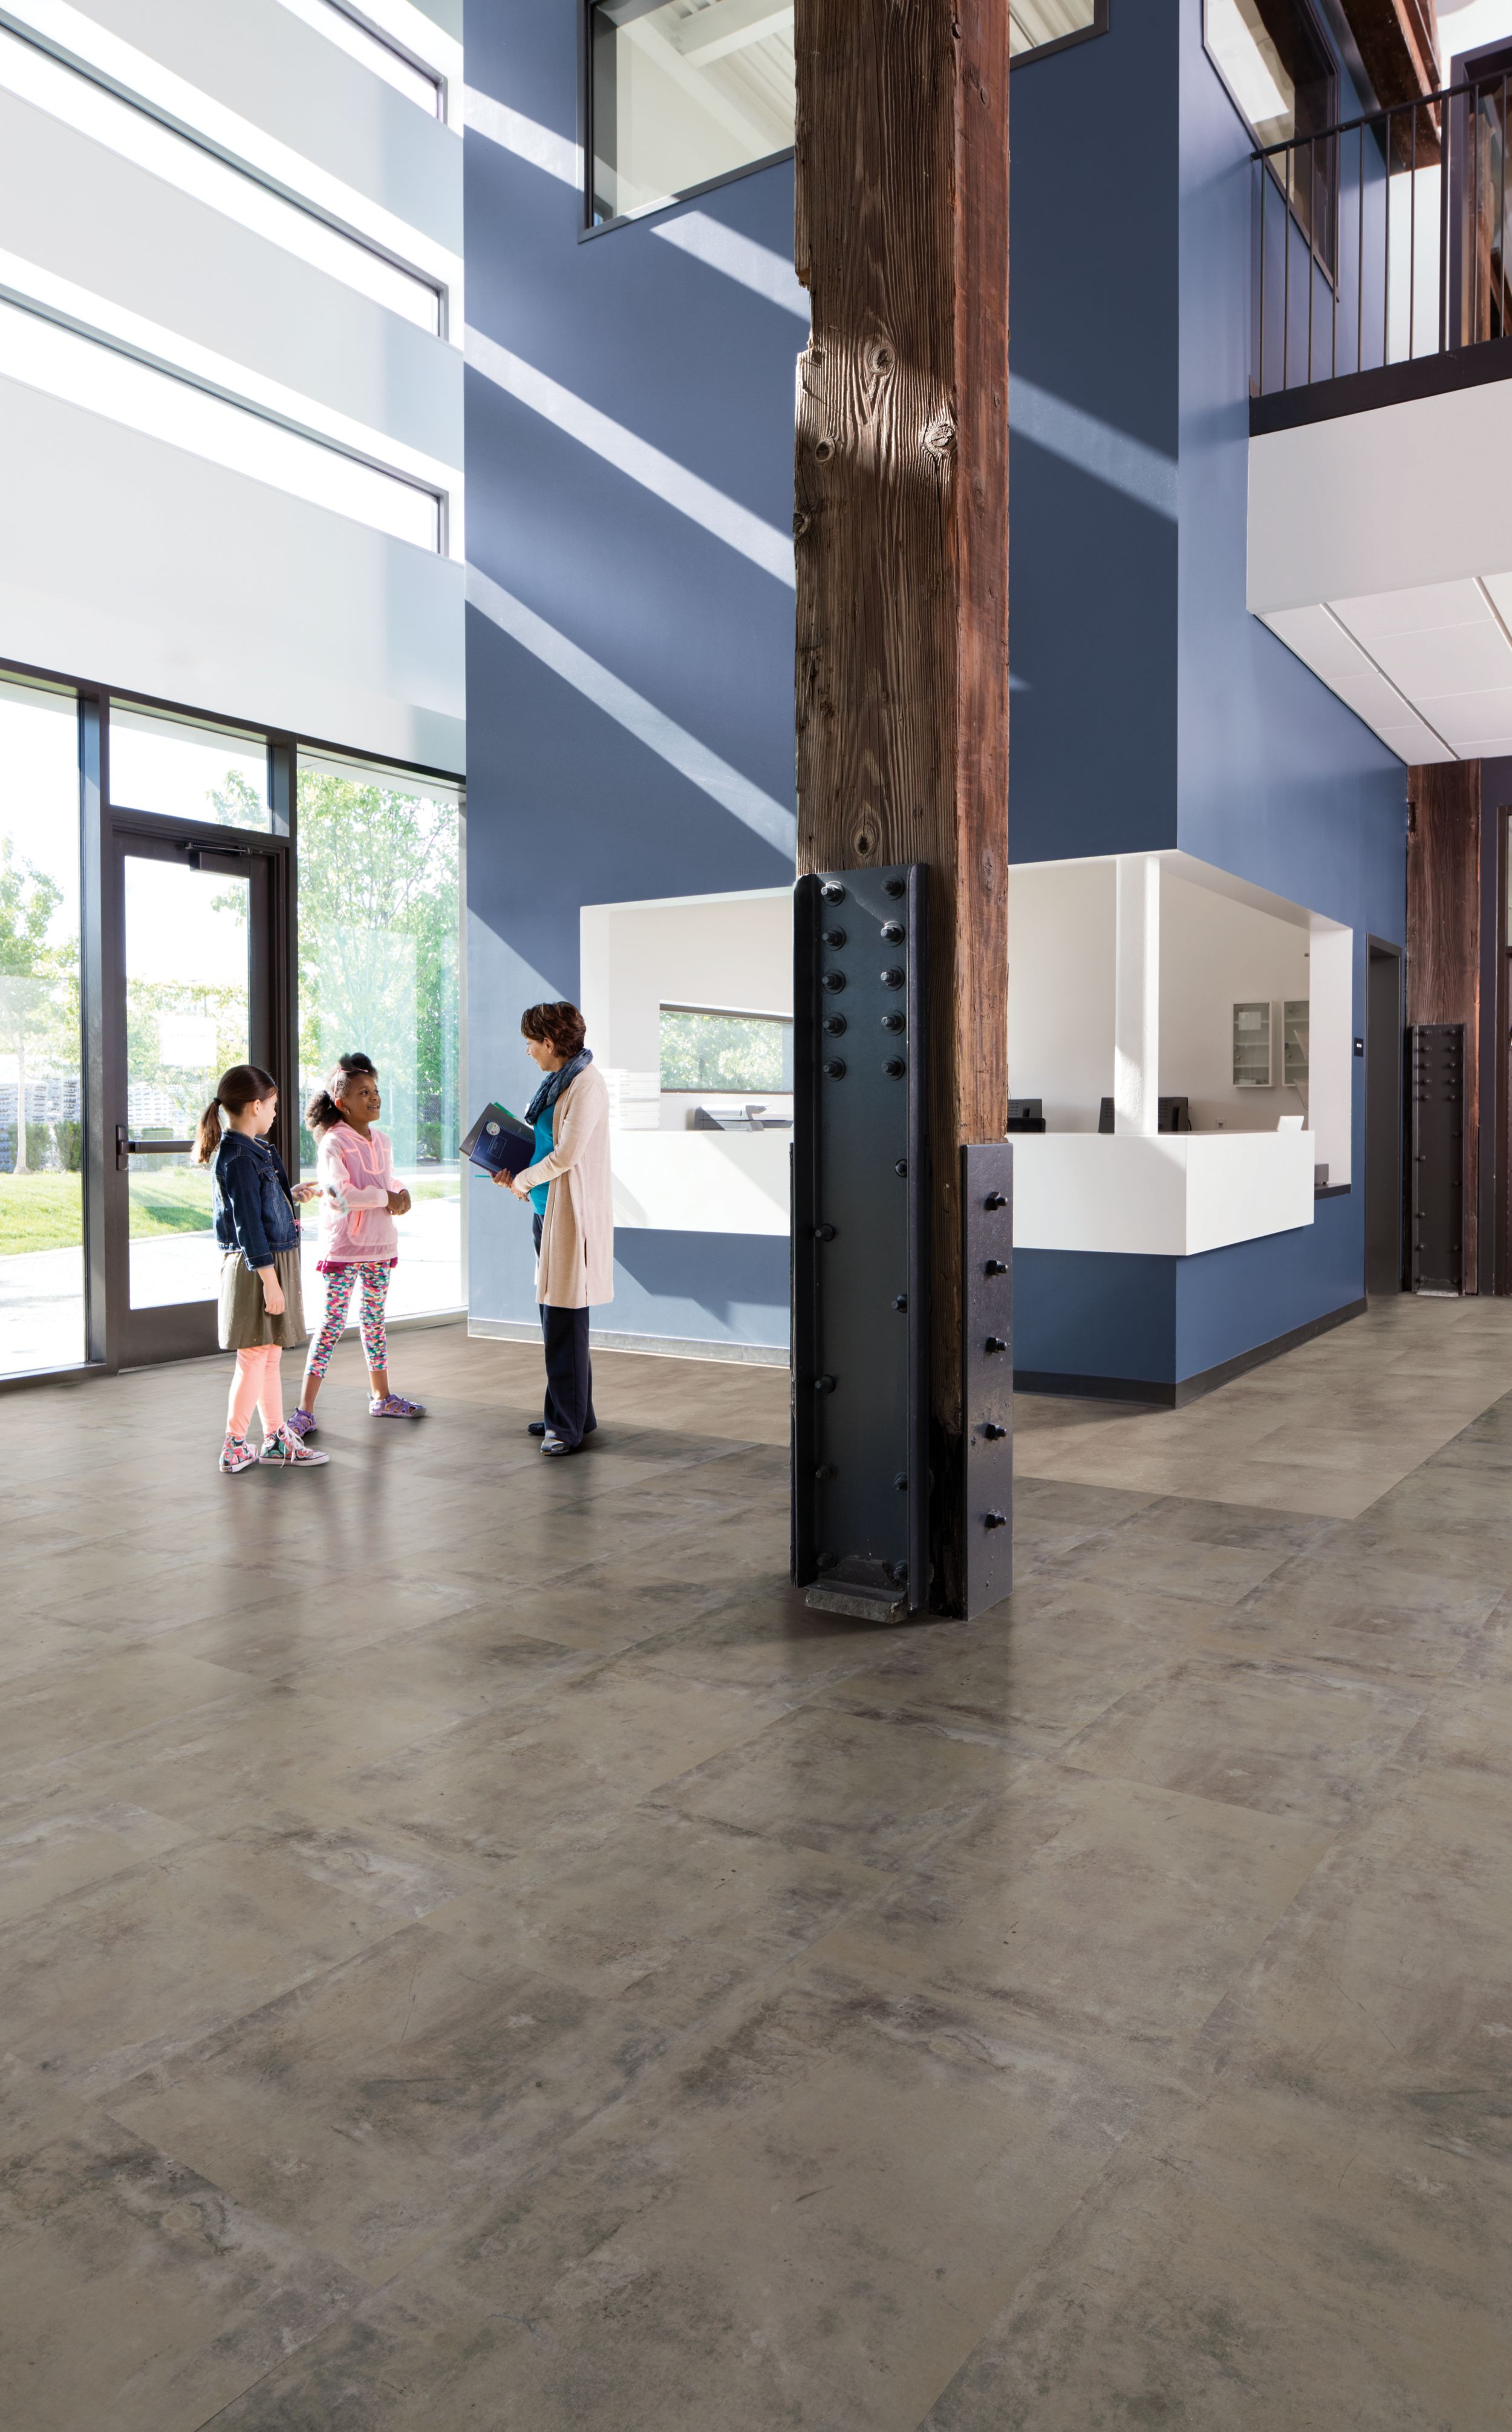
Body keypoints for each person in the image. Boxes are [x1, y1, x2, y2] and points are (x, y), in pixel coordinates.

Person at [198, 1063, 330, 1473]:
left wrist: (287, 1195)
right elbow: (248, 1227)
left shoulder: (258, 1150)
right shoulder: (237, 1156)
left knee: (268, 1357)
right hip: (258, 1267)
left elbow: (256, 1207)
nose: (275, 1113)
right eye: (272, 1105)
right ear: (255, 1106)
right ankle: (236, 1444)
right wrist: (271, 1284)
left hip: (271, 1261)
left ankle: (274, 1439)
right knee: (254, 1357)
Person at [287, 1051, 427, 1433]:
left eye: (375, 1090)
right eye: (363, 1092)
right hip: (345, 1251)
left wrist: (401, 1192)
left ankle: (382, 1399)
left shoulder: (381, 1140)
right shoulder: (333, 1144)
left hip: (382, 1248)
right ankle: (304, 1411)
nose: (374, 1097)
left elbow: (387, 1179)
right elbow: (339, 1196)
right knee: (331, 1326)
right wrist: (387, 1198)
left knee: (374, 1322)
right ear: (342, 1103)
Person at [497, 1001, 613, 1454]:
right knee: (555, 1316)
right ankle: (575, 1413)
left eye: (530, 1042)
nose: (527, 1051)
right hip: (546, 1211)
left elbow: (567, 1155)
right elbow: (546, 1145)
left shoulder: (586, 1086)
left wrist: (523, 1179)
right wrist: (514, 1172)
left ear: (549, 1043)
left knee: (564, 1318)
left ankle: (564, 1427)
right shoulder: (559, 1082)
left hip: (569, 1216)